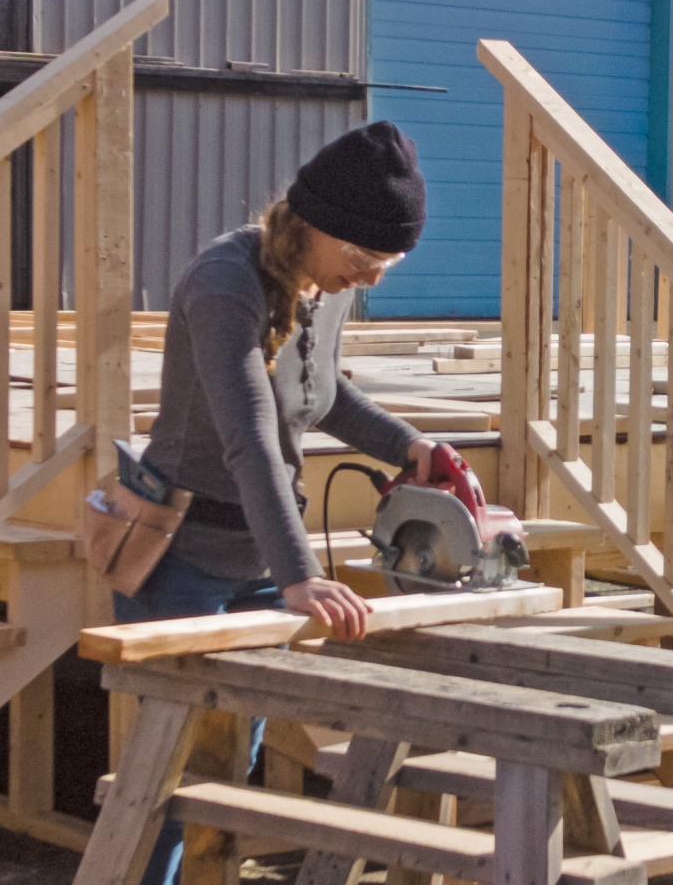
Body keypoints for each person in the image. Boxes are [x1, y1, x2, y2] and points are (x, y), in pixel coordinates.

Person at [116, 121, 444, 885]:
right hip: (182, 555)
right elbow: (250, 438)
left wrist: (411, 448)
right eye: (360, 260)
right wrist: (301, 574)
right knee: (165, 776)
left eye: (383, 269)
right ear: (314, 224)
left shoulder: (321, 283)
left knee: (234, 767)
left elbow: (322, 396)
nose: (364, 280)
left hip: (259, 555)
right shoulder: (223, 283)